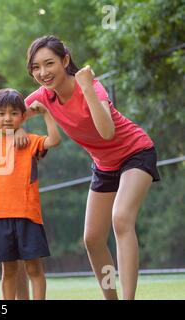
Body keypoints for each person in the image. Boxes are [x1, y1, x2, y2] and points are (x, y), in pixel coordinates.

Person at [24, 35, 160, 300]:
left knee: (121, 218)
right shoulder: (44, 96)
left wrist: (86, 88)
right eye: (36, 68)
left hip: (136, 152)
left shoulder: (93, 87)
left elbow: (107, 132)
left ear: (65, 61)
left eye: (49, 63)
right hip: (105, 165)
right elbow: (6, 115)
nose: (43, 72)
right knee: (93, 239)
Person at [0, 88, 61, 300]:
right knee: (8, 271)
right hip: (0, 218)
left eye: (13, 113)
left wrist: (46, 113)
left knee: (34, 269)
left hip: (28, 216)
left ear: (22, 116)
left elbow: (54, 140)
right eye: (1, 114)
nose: (7, 118)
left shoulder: (29, 141)